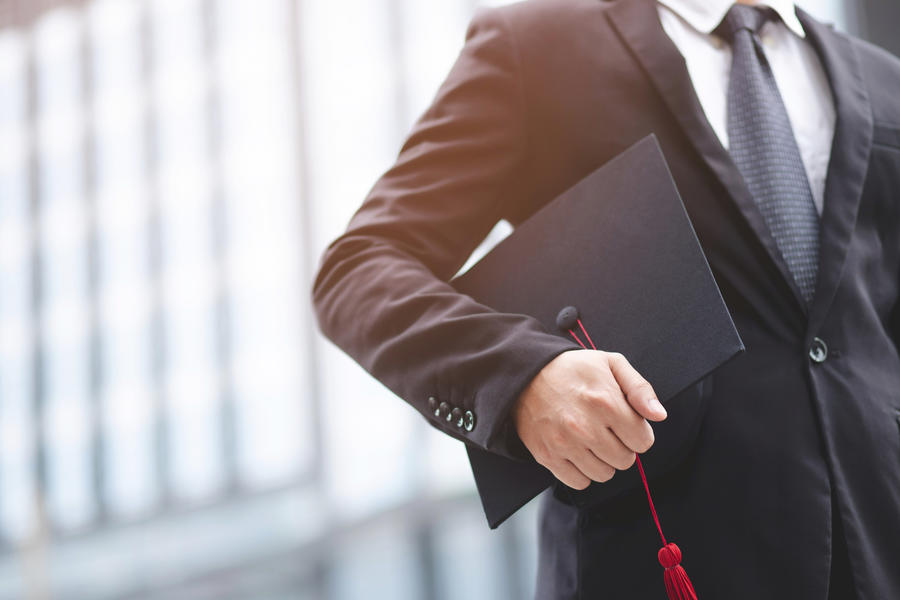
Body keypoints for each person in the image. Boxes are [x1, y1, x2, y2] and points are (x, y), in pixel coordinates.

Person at [311, 0, 900, 597]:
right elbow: (358, 269)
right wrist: (522, 377)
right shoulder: (537, 46)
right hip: (660, 556)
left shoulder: (880, 79)